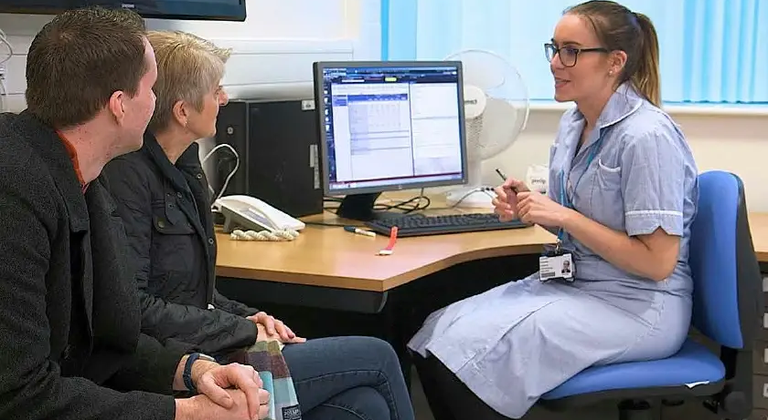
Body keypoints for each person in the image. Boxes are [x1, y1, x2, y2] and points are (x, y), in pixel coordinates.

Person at [101, 31, 416, 420]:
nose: (224, 99)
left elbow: (193, 292)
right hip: (177, 363)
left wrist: (246, 315)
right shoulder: (126, 178)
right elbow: (137, 308)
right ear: (182, 112)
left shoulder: (185, 167)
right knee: (380, 356)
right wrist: (241, 329)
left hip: (205, 341)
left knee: (364, 406)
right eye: (216, 90)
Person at [407, 1, 699, 419]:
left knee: (462, 358)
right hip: (576, 285)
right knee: (435, 332)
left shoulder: (646, 137)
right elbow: (577, 217)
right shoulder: (574, 124)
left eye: (571, 51)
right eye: (555, 48)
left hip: (637, 305)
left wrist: (563, 216)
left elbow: (657, 263)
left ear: (615, 62)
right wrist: (531, 206)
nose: (555, 63)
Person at [0, 8, 271, 420]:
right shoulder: (15, 194)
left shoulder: (80, 175)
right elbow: (20, 396)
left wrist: (192, 369)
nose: (156, 102)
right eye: (151, 89)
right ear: (120, 105)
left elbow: (102, 342)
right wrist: (187, 413)